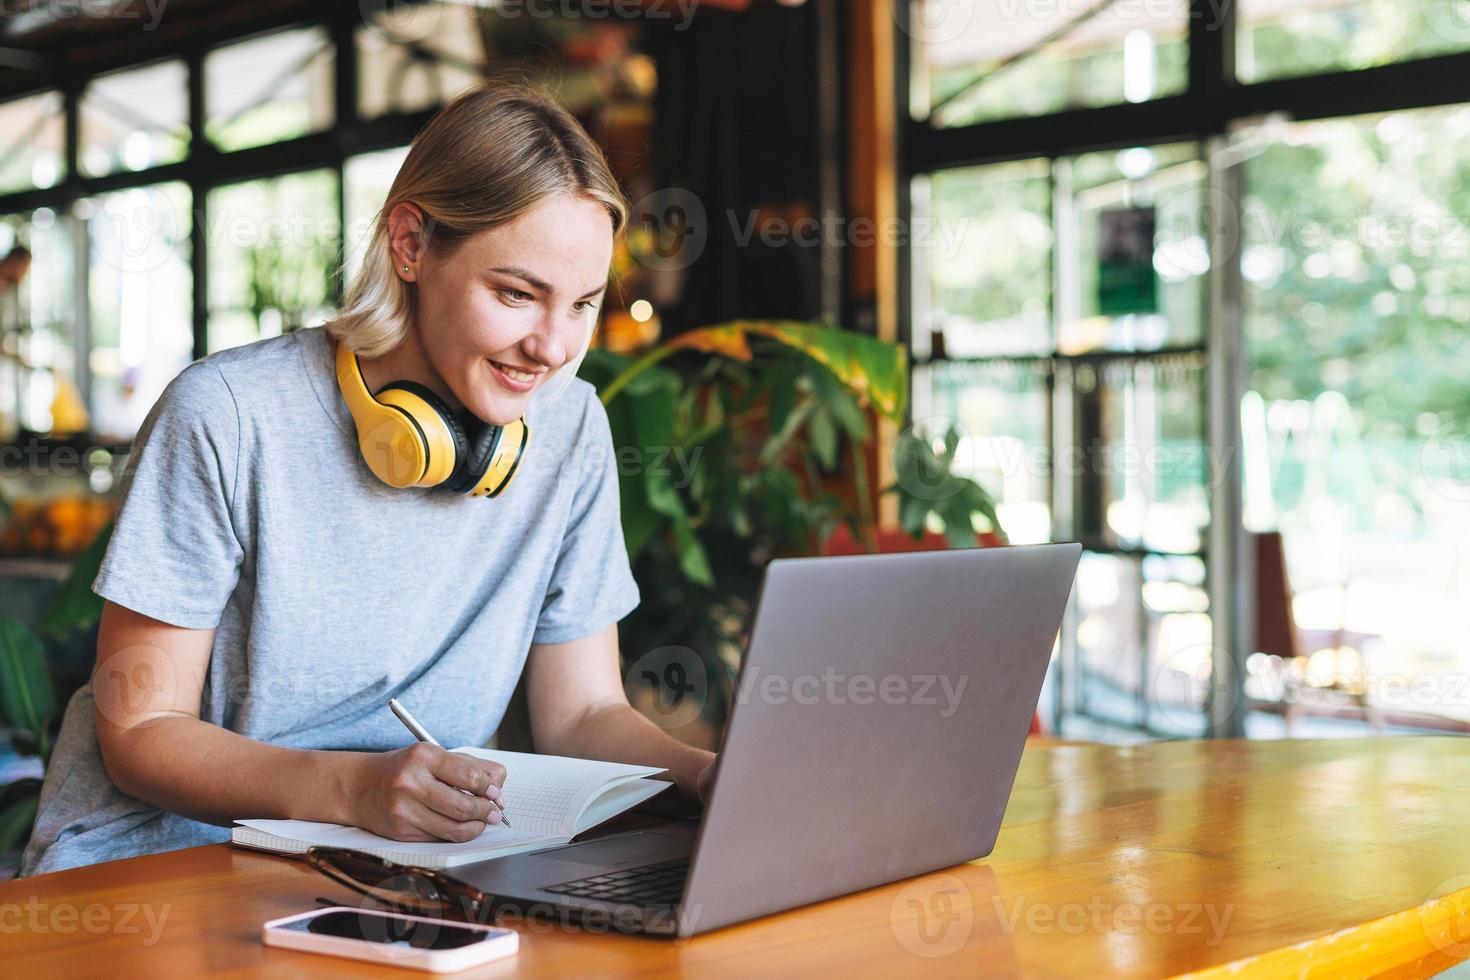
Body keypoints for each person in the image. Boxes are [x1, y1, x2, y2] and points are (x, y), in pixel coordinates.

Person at [20, 84, 716, 876]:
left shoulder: (572, 426)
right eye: (517, 295)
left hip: (394, 866)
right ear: (411, 244)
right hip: (165, 862)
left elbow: (585, 713)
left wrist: (707, 777)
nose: (552, 347)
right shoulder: (229, 415)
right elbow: (139, 728)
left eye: (583, 304)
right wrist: (352, 789)